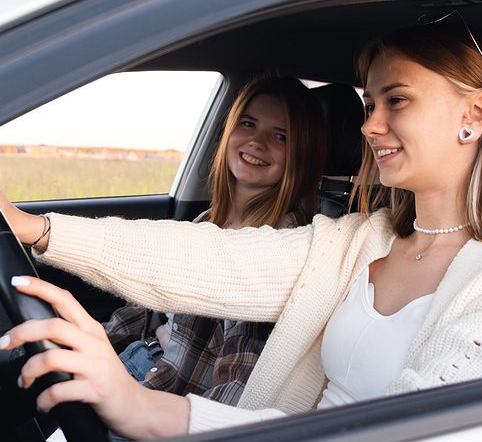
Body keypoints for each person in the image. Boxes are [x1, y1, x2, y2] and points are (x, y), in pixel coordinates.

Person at [0, 17, 482, 440]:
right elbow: (213, 260)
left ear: (475, 114)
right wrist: (36, 228)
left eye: (397, 101)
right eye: (368, 105)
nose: (367, 126)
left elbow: (410, 433)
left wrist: (148, 410)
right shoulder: (359, 240)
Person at [105, 75, 328, 406]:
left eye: (280, 136)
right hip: (141, 366)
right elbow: (145, 303)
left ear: (301, 154)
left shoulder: (280, 248)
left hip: (168, 400)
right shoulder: (209, 221)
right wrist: (92, 342)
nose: (256, 142)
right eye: (248, 124)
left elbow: (240, 378)